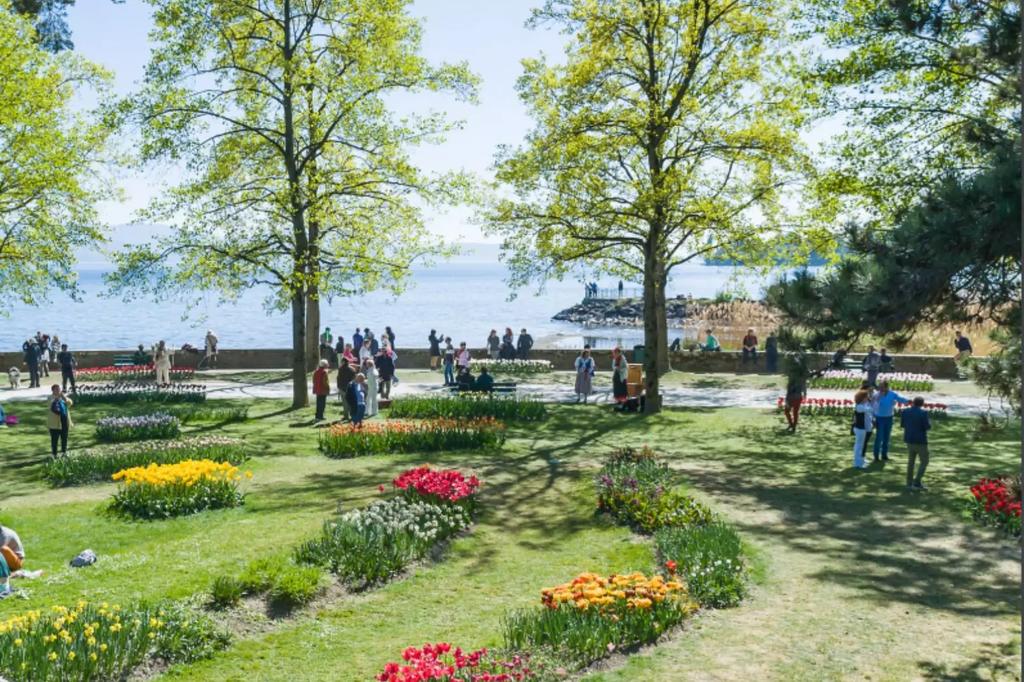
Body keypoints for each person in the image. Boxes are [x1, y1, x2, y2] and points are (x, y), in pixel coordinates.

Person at [871, 380, 908, 462]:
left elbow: (900, 399)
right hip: (879, 418)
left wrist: (909, 401)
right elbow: (872, 406)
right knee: (879, 437)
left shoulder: (892, 394)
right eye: (879, 387)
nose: (880, 388)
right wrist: (873, 418)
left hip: (889, 418)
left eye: (882, 387)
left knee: (886, 437)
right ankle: (876, 456)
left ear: (886, 387)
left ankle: (884, 455)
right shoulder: (876, 395)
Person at [900, 396, 931, 490]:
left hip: (909, 439)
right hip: (920, 440)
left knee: (911, 462)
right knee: (924, 461)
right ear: (922, 404)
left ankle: (909, 483)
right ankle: (917, 481)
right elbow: (927, 427)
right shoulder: (923, 413)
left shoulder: (905, 412)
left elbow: (903, 424)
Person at [47, 384, 72, 457]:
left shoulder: (63, 398)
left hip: (64, 421)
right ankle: (54, 454)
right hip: (54, 424)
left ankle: (64, 452)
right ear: (53, 390)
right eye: (56, 389)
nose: (58, 391)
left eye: (59, 389)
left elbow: (70, 403)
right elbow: (50, 404)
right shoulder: (50, 398)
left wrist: (64, 398)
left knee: (64, 439)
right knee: (54, 440)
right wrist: (57, 399)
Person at [783, 357, 807, 433]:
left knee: (788, 411)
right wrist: (805, 394)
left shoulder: (792, 376)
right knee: (795, 412)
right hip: (798, 396)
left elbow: (789, 388)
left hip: (792, 396)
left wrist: (786, 398)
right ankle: (793, 426)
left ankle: (792, 424)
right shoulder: (801, 376)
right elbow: (804, 386)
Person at [0, 524, 25, 595]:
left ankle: (7, 575)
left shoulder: (5, 534)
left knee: (4, 549)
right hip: (2, 562)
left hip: (14, 562)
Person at [852, 389, 873, 469]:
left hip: (860, 428)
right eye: (866, 397)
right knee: (859, 446)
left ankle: (860, 462)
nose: (867, 398)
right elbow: (870, 410)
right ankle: (857, 464)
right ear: (862, 398)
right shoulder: (860, 406)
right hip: (860, 428)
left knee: (859, 446)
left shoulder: (861, 405)